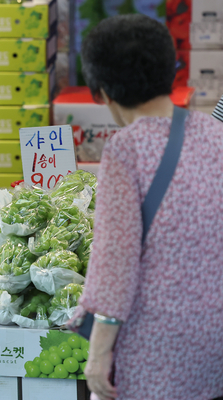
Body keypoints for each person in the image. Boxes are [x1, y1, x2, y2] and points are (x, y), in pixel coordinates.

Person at [71, 14, 223, 400]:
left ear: (101, 92)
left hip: (157, 345)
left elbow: (115, 257)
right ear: (170, 71)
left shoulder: (127, 149)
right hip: (214, 336)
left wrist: (99, 352)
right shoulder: (213, 133)